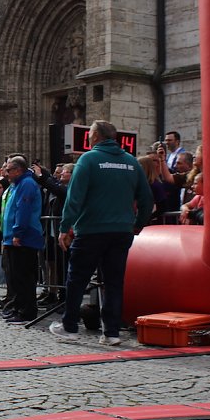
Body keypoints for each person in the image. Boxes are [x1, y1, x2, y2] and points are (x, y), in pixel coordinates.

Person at [51, 120, 154, 345]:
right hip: (121, 231)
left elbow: (74, 198)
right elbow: (147, 199)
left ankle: (69, 327)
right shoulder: (131, 162)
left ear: (96, 136)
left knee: (77, 279)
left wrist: (64, 228)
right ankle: (111, 332)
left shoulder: (88, 159)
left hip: (91, 230)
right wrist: (137, 224)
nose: (87, 137)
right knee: (114, 282)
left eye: (89, 134)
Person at [0, 156, 44, 325]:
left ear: (18, 170)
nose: (7, 173)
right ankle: (18, 308)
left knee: (23, 276)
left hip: (24, 238)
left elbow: (23, 210)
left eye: (9, 170)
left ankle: (27, 312)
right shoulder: (17, 185)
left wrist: (18, 232)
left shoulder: (26, 184)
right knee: (15, 276)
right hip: (14, 237)